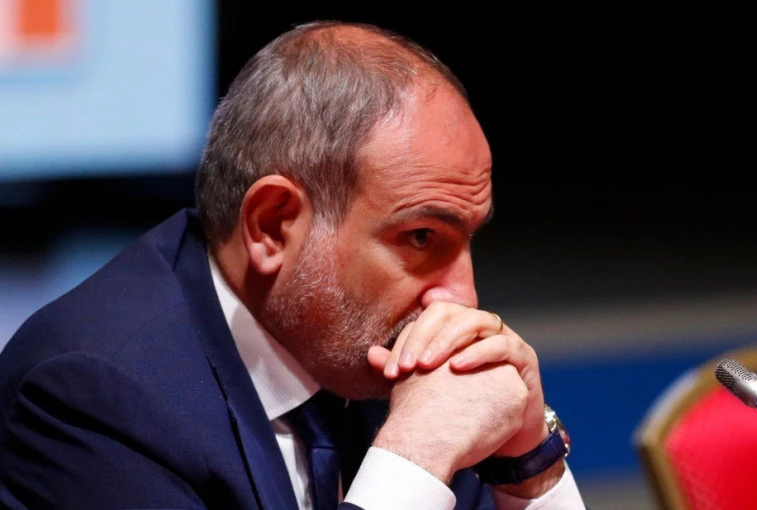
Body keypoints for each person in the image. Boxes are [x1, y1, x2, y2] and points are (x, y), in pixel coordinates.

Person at [0, 20, 587, 509]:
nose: (462, 298)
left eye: (468, 241)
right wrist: (415, 458)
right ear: (272, 225)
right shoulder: (94, 398)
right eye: (420, 237)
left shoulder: (380, 356)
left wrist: (526, 465)